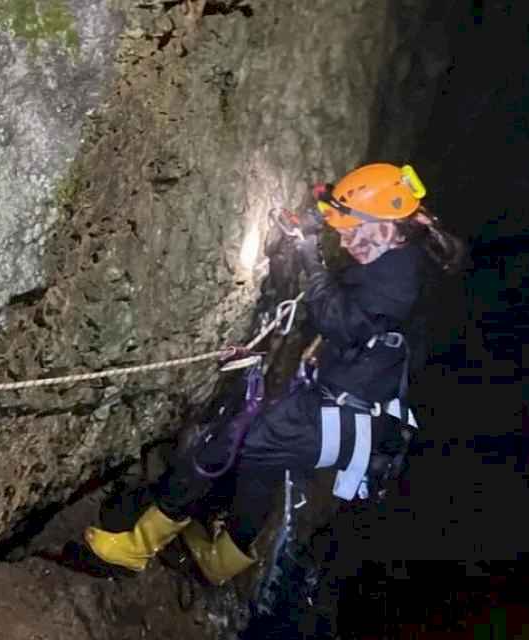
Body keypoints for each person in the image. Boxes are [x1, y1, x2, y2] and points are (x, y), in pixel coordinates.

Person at [77, 163, 467, 586]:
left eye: (354, 229)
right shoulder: (405, 242)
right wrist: (317, 220)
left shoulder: (399, 278)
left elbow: (341, 323)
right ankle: (220, 563)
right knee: (261, 461)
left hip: (346, 414)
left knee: (234, 441)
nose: (346, 238)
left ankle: (134, 548)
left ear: (387, 226)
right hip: (353, 404)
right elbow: (342, 218)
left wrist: (310, 259)